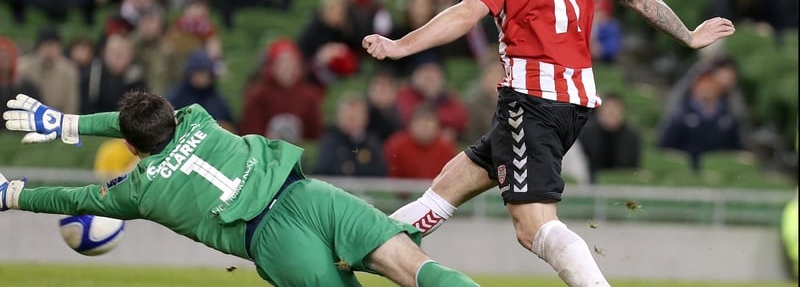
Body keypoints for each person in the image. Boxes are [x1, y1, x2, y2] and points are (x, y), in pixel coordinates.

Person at [362, 0, 736, 287]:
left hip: (530, 101)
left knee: (532, 226)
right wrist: (688, 35)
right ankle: (361, 246)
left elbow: (466, 14)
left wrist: (400, 46)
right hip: (573, 104)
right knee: (449, 185)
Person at [0, 92, 481, 287]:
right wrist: (67, 123)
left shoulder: (139, 192)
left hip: (273, 241)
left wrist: (14, 194)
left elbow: (71, 198)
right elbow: (135, 120)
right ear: (172, 114)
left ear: (130, 146)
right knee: (416, 269)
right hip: (309, 196)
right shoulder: (198, 118)